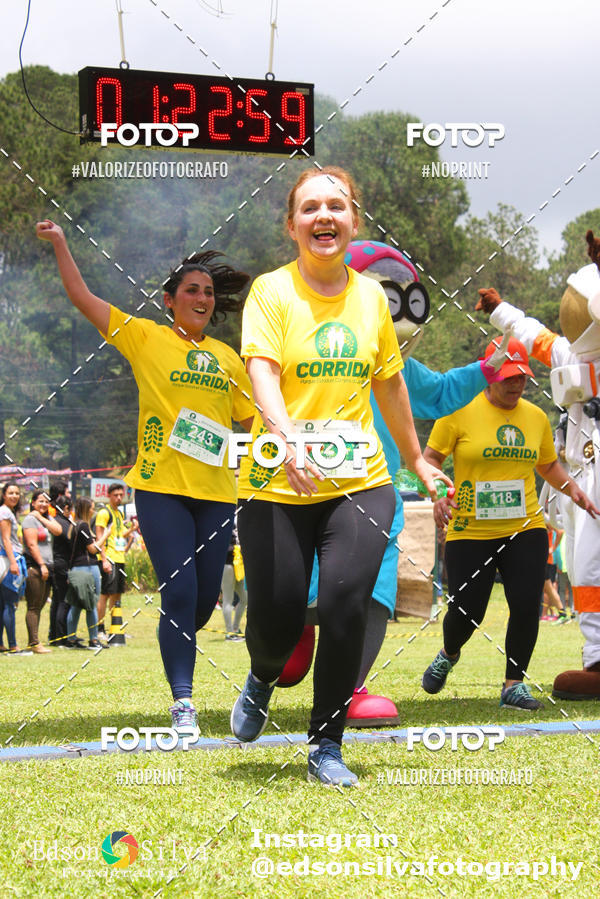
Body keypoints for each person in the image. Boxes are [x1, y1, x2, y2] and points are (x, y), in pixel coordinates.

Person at [230, 167, 449, 786]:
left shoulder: (373, 297)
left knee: (345, 601)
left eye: (336, 206)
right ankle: (263, 675)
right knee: (275, 618)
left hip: (359, 480)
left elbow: (390, 383)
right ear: (292, 225)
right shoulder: (272, 292)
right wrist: (287, 437)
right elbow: (263, 372)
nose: (323, 216)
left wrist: (416, 459)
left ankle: (326, 744)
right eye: (310, 208)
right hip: (278, 480)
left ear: (354, 219)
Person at [36, 220, 255, 729]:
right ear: (169, 300)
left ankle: (179, 634)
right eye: (191, 290)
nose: (202, 298)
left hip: (218, 495)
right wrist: (63, 245)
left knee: (200, 604)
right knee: (178, 593)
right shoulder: (144, 337)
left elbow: (256, 420)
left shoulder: (228, 359)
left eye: (207, 292)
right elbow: (82, 297)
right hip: (160, 491)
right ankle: (184, 703)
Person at [422, 338, 598, 709]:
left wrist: (575, 491)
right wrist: (439, 494)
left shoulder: (534, 417)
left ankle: (513, 684)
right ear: (488, 375)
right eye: (507, 377)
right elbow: (431, 458)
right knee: (467, 610)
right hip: (470, 530)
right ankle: (449, 653)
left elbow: (548, 465)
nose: (516, 384)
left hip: (525, 528)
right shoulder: (457, 411)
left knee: (526, 604)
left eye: (521, 376)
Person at [22, 489, 62, 652]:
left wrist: (42, 518)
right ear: (33, 503)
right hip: (35, 567)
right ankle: (33, 643)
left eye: (46, 501)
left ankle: (36, 641)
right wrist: (42, 565)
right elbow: (32, 545)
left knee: (39, 605)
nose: (44, 504)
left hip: (47, 567)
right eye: (40, 501)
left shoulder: (45, 518)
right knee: (33, 605)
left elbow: (58, 530)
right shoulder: (30, 520)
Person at [65, 497, 107, 649]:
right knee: (91, 604)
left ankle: (71, 638)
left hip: (76, 569)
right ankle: (94, 639)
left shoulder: (74, 526)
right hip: (87, 569)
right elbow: (93, 549)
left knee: (76, 605)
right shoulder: (83, 526)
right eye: (91, 508)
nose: (93, 511)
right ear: (85, 509)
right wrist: (105, 536)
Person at [95, 483, 130, 642]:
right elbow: (99, 537)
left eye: (121, 495)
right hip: (108, 558)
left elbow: (120, 535)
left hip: (119, 557)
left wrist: (133, 530)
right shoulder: (104, 513)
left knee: (116, 595)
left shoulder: (119, 514)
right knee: (105, 594)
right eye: (115, 495)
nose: (119, 498)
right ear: (108, 495)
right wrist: (104, 560)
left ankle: (115, 628)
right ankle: (99, 628)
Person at [0, 482, 29, 654]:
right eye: (10, 493)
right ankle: (13, 645)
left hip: (5, 560)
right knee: (10, 605)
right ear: (4, 494)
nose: (14, 496)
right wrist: (13, 562)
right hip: (7, 561)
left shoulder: (7, 512)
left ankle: (2, 643)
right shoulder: (5, 512)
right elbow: (6, 540)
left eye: (17, 493)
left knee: (3, 604)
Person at [50, 495, 75, 647]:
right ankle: (61, 636)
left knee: (58, 601)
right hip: (62, 565)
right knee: (64, 602)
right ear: (66, 508)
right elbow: (71, 540)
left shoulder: (56, 521)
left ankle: (55, 635)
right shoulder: (63, 523)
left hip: (58, 564)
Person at [221, 519, 247, 641]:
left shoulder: (239, 515)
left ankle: (236, 629)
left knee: (245, 598)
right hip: (227, 565)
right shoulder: (224, 518)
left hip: (239, 564)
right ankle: (229, 632)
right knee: (228, 599)